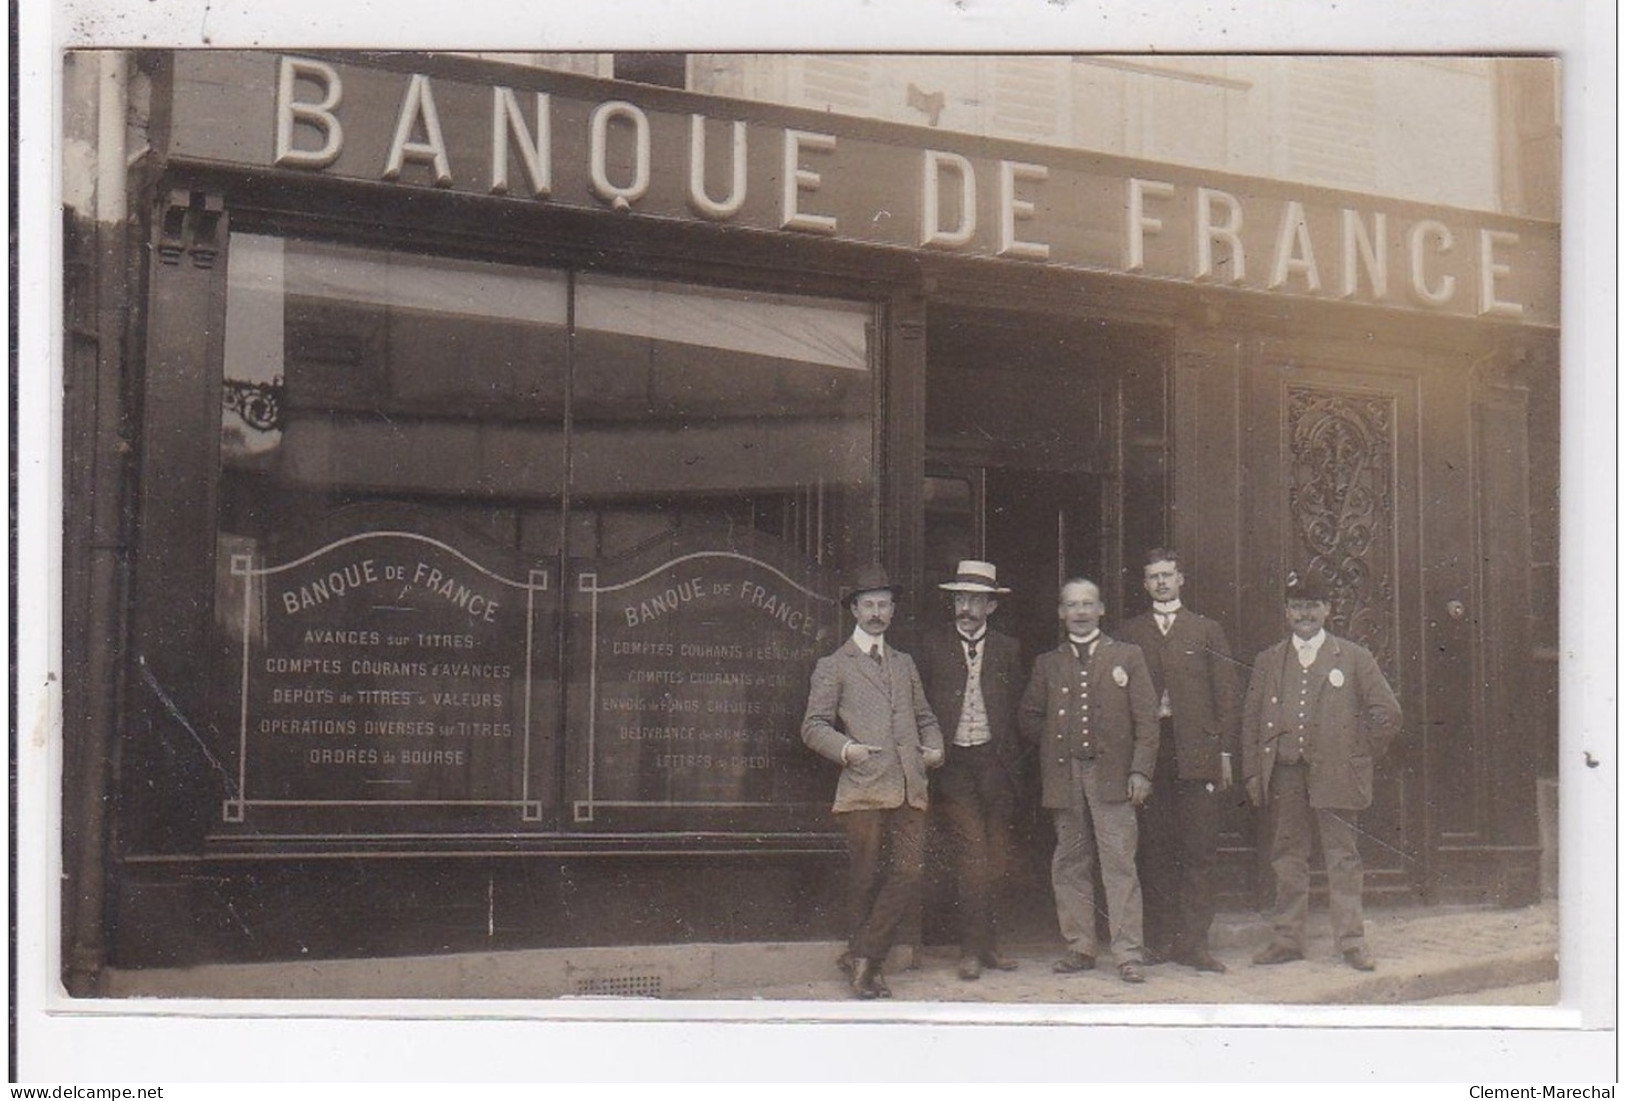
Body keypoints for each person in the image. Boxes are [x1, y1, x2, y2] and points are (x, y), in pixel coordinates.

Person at [1242, 574, 1402, 971]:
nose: (1305, 614)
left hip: (1336, 774)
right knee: (1287, 855)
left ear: (1328, 610)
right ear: (1286, 612)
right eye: (1297, 606)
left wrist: (1357, 751)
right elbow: (1251, 720)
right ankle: (1287, 939)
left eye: (1313, 605)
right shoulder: (1269, 659)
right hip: (1285, 773)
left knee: (1342, 857)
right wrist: (1252, 772)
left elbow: (1388, 713)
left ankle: (1350, 942)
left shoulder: (1352, 657)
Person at [802, 564, 945, 999]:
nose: (877, 612)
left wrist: (935, 748)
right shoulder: (834, 665)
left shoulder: (904, 664)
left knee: (909, 871)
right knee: (864, 879)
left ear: (893, 609)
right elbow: (813, 726)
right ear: (854, 610)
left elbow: (925, 718)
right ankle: (867, 965)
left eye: (884, 604)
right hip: (863, 786)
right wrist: (849, 751)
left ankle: (861, 956)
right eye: (869, 605)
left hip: (908, 786)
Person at [1018, 577, 1159, 984]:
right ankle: (1080, 947)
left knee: (1119, 862)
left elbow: (1147, 721)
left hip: (1113, 777)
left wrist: (1140, 770)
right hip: (1065, 776)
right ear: (1061, 613)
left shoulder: (1127, 656)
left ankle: (1128, 953)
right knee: (1070, 862)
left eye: (1087, 604)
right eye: (1071, 605)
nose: (1080, 612)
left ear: (1101, 610)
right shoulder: (1049, 662)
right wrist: (1054, 746)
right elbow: (1028, 716)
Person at [1118, 548, 1239, 973]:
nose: (1162, 583)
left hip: (1197, 753)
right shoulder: (1130, 632)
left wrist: (1223, 751)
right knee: (1154, 848)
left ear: (1181, 579)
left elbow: (1225, 694)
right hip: (1153, 752)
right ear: (1145, 584)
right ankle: (1160, 941)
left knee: (1199, 850)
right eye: (1153, 577)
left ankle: (1195, 945)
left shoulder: (1206, 631)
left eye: (1168, 575)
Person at [916, 560, 1024, 981]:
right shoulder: (932, 646)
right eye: (960, 599)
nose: (966, 607)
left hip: (995, 765)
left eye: (975, 600)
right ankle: (970, 951)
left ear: (991, 608)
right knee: (973, 854)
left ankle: (990, 946)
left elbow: (1017, 708)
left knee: (996, 858)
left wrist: (1011, 762)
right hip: (954, 766)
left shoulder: (1008, 649)